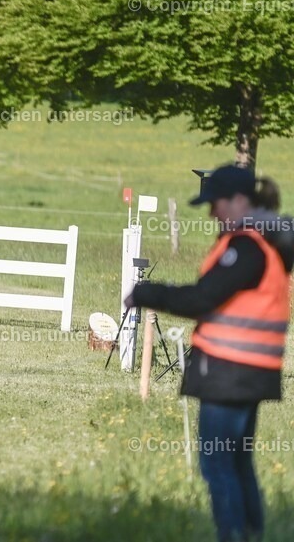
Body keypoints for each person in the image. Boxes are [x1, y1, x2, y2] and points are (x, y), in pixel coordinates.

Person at [126, 164, 294, 542]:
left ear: (238, 200)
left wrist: (147, 293)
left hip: (230, 372)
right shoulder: (263, 245)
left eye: (215, 203)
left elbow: (203, 298)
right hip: (250, 371)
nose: (211, 213)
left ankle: (233, 535)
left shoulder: (247, 247)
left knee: (217, 464)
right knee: (236, 462)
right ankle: (251, 534)